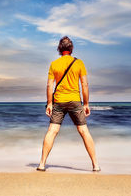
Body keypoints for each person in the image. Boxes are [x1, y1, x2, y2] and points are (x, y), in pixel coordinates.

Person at [37, 36, 101, 172]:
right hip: (74, 101)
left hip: (59, 101)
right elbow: (84, 84)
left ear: (60, 49)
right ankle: (95, 165)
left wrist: (49, 103)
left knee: (52, 131)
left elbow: (49, 85)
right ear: (71, 48)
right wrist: (86, 104)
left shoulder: (54, 64)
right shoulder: (79, 63)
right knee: (84, 131)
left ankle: (42, 164)